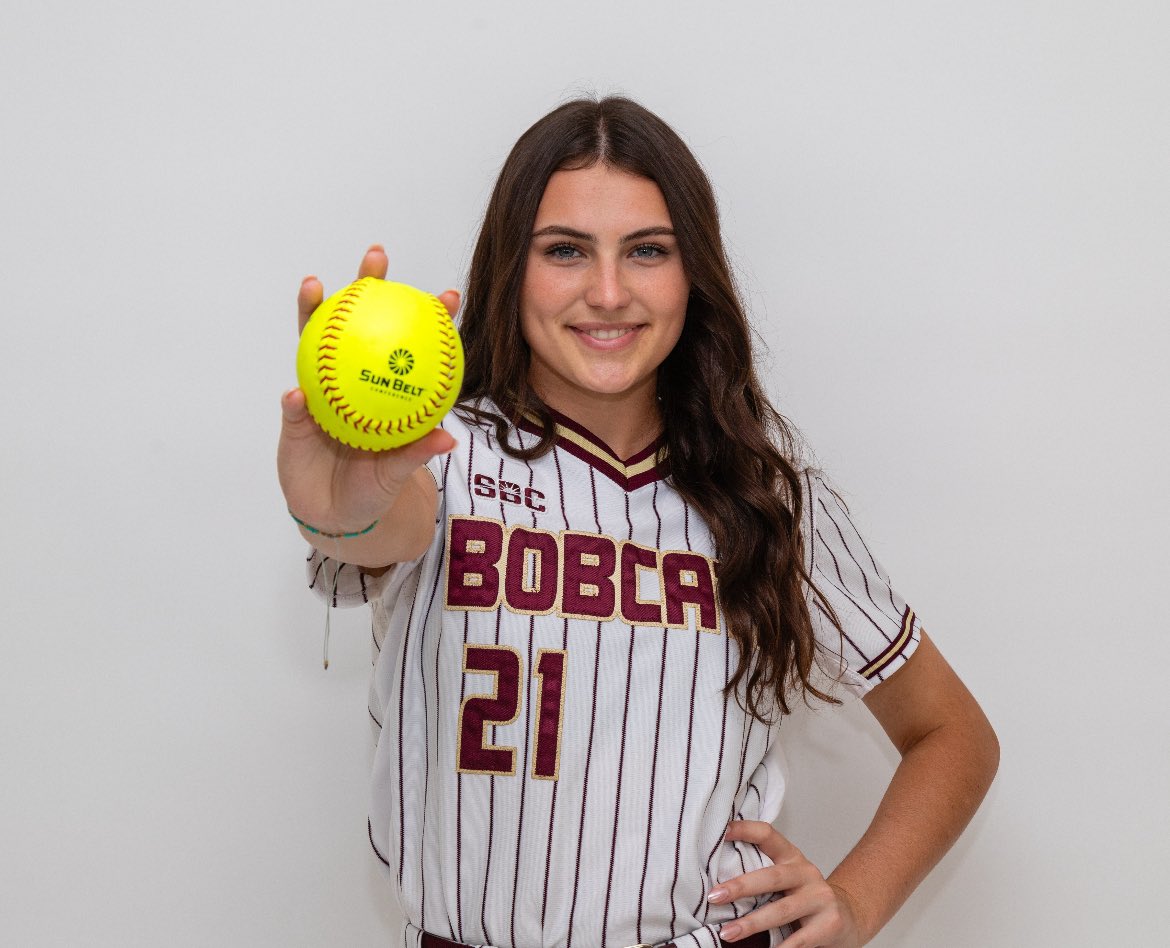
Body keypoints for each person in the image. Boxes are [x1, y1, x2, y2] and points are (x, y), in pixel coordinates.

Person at [277, 96, 999, 948]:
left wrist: (855, 902)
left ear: (694, 272)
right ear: (513, 267)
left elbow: (952, 733)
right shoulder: (434, 455)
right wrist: (345, 513)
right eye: (566, 251)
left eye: (648, 251)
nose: (609, 293)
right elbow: (375, 528)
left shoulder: (763, 497)